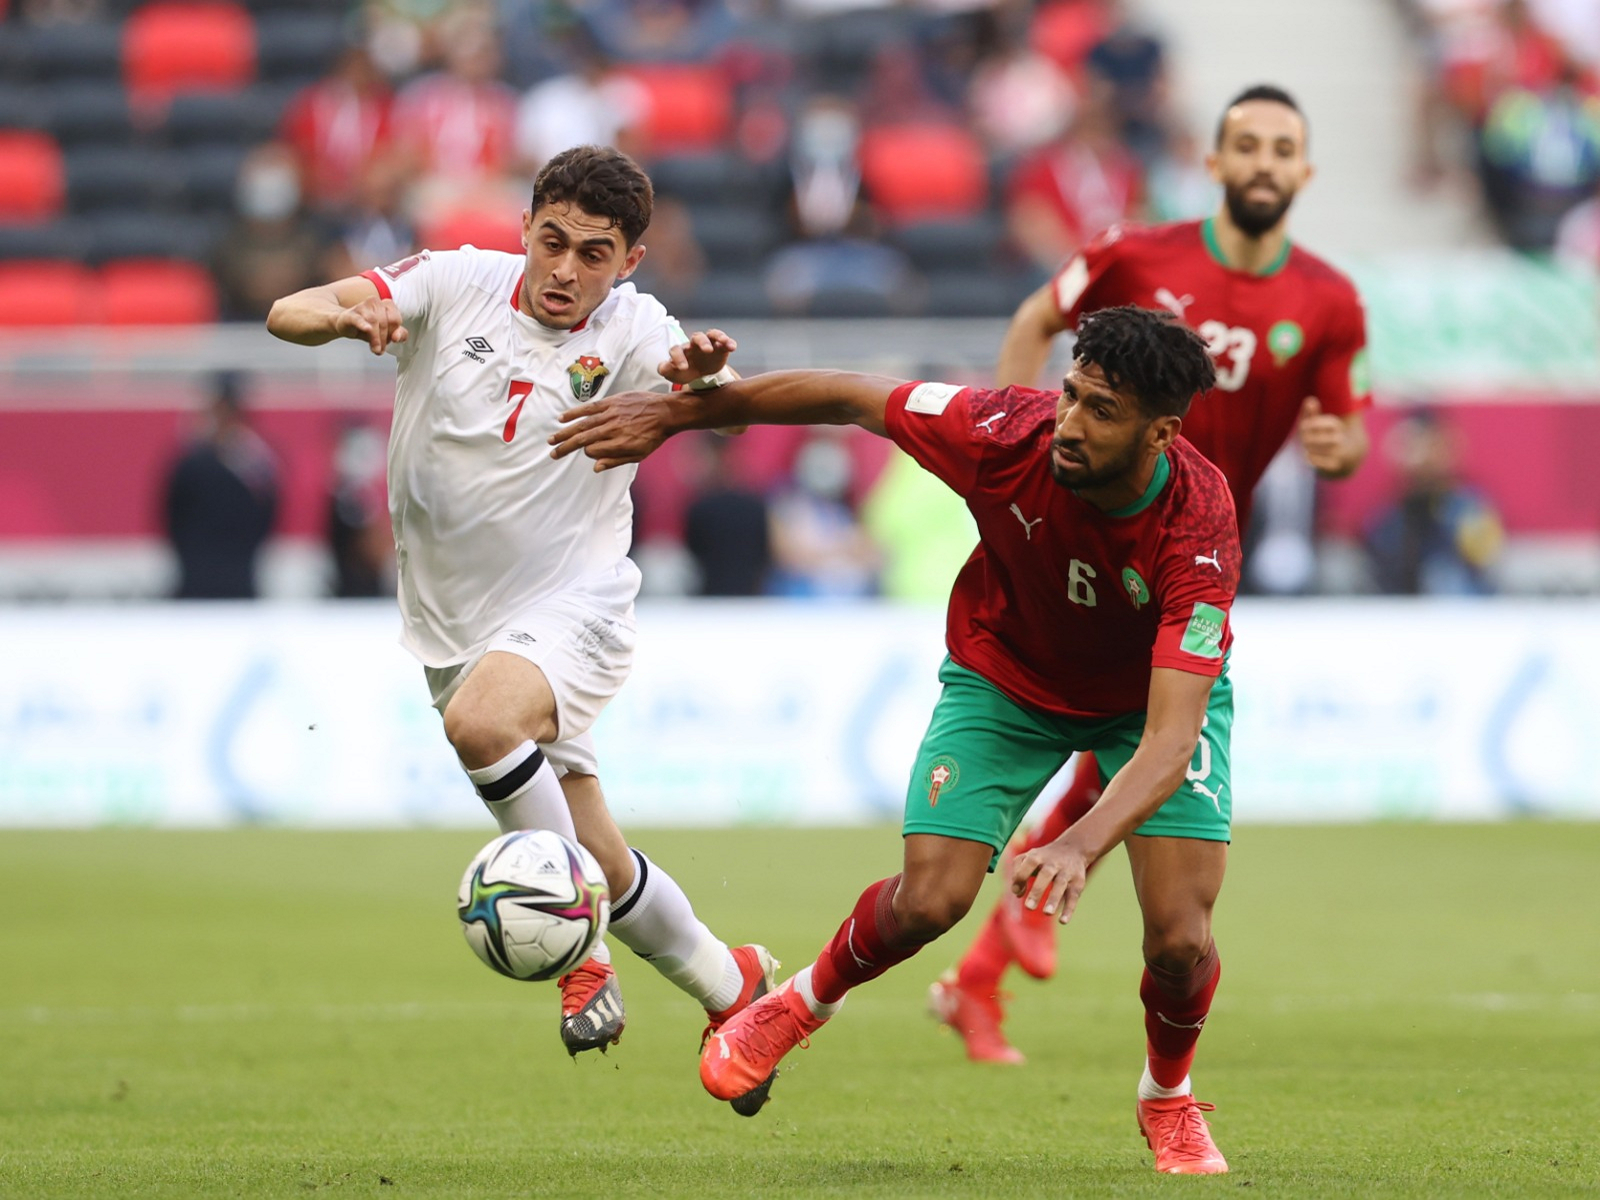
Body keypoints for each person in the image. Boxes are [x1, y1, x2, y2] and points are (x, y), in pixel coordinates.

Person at [552, 305, 1239, 1175]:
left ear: (1160, 434)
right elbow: (848, 396)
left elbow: (1173, 737)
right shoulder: (1004, 431)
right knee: (930, 901)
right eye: (1071, 395)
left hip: (1147, 704)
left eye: (1102, 412)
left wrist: (1075, 843)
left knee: (1179, 940)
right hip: (1009, 679)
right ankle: (796, 1004)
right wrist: (686, 413)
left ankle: (1167, 1097)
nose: (1069, 422)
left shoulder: (1199, 523)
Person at [264, 145, 776, 1080]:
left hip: (572, 600)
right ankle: (734, 990)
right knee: (602, 861)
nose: (566, 271)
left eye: (594, 254)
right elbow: (284, 311)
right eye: (553, 243)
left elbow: (724, 413)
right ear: (527, 228)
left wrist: (703, 389)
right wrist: (352, 316)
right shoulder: (455, 280)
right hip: (454, 622)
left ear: (629, 263)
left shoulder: (633, 328)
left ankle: (581, 965)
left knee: (482, 723)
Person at [939, 84, 1372, 1065]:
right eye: (1245, 146)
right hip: (1086, 545)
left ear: (1303, 172)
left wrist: (1334, 446)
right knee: (1124, 737)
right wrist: (1015, 435)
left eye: (1281, 149)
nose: (1262, 162)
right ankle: (998, 944)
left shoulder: (1330, 300)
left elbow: (1347, 436)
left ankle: (984, 963)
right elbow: (1032, 317)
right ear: (1213, 164)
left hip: (1194, 559)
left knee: (1130, 744)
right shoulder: (1137, 255)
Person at [162, 371, 280, 600]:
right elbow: (173, 514)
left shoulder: (257, 461)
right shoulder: (192, 461)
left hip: (240, 576)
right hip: (196, 578)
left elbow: (268, 515)